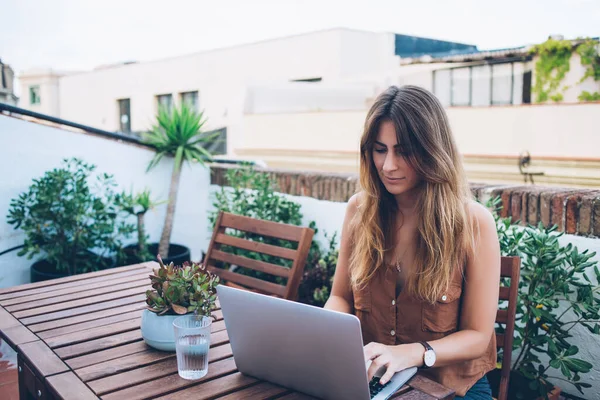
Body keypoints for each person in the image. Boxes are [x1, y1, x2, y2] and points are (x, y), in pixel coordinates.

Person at [324, 85, 500, 399]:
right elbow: (341, 297)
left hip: (450, 386)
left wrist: (413, 353)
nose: (388, 165)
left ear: (432, 151)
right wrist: (326, 332)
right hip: (376, 381)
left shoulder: (473, 223)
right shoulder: (359, 211)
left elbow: (477, 336)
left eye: (403, 151)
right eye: (380, 149)